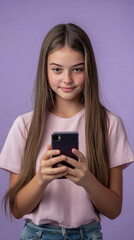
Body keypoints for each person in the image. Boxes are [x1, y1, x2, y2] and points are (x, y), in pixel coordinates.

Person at [0, 23, 134, 240]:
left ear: (88, 69)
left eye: (77, 69)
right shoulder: (24, 126)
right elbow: (16, 210)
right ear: (45, 70)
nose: (67, 79)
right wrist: (42, 178)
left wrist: (86, 179)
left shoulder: (109, 124)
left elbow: (114, 209)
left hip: (88, 234)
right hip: (38, 235)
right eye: (57, 69)